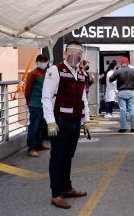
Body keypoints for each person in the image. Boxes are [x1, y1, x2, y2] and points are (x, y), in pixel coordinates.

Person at [42, 41, 91, 209]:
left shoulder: (81, 73)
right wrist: (50, 121)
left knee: (68, 156)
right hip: (59, 122)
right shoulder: (55, 70)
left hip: (75, 122)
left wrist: (86, 121)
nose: (75, 55)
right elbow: (46, 97)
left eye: (79, 52)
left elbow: (83, 98)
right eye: (72, 51)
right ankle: (56, 194)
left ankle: (67, 187)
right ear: (65, 53)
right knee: (57, 157)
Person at [24, 54, 51, 157]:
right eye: (40, 60)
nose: (43, 62)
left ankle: (39, 145)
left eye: (44, 61)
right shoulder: (33, 74)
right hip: (35, 104)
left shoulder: (47, 74)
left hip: (44, 104)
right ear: (37, 62)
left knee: (41, 126)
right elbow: (28, 90)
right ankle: (31, 148)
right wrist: (28, 103)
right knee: (34, 127)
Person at [109, 57, 134, 132]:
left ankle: (123, 128)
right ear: (128, 62)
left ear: (121, 63)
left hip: (121, 92)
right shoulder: (133, 71)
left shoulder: (118, 71)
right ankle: (133, 127)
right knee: (132, 110)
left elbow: (110, 79)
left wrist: (115, 72)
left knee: (123, 110)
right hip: (131, 91)